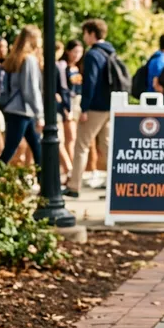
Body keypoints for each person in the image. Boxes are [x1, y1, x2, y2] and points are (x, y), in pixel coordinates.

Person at [64, 19, 115, 198]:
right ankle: (116, 185)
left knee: (81, 145)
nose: (84, 37)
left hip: (95, 107)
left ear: (92, 33)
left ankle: (74, 186)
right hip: (109, 106)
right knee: (107, 146)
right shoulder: (110, 52)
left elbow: (90, 83)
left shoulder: (93, 54)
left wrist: (84, 108)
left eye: (85, 33)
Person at [0, 26, 43, 167]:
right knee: (10, 150)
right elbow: (30, 90)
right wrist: (40, 114)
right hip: (22, 111)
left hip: (19, 110)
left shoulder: (16, 58)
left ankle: (43, 179)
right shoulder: (29, 59)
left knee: (37, 148)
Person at [59, 40, 84, 173]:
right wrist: (66, 107)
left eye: (80, 52)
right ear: (68, 51)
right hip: (69, 103)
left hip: (79, 103)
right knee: (71, 137)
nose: (77, 55)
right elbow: (64, 89)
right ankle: (71, 169)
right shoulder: (64, 67)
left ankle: (75, 168)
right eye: (75, 51)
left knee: (78, 137)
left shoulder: (80, 67)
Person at [54, 41, 73, 175]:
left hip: (56, 108)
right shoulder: (58, 66)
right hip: (55, 107)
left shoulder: (57, 66)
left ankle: (68, 169)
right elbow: (63, 88)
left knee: (60, 140)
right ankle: (68, 169)